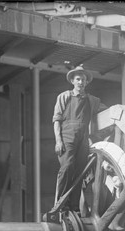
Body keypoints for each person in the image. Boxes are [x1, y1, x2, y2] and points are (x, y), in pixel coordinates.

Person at [51, 65, 102, 212]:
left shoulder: (92, 100)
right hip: (67, 135)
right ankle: (60, 204)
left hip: (83, 137)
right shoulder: (64, 96)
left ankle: (73, 206)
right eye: (78, 79)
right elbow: (56, 120)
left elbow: (106, 110)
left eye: (84, 80)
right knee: (67, 168)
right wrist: (58, 141)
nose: (81, 82)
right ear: (72, 81)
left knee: (80, 171)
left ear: (86, 83)